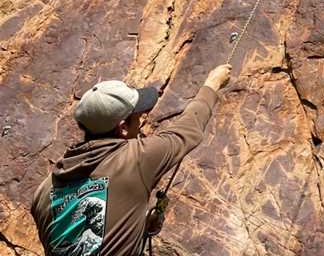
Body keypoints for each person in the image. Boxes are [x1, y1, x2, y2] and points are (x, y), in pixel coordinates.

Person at [31, 65, 232, 256]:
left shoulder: (43, 192)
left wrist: (140, 226)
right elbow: (187, 128)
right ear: (123, 127)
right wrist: (212, 84)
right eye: (138, 116)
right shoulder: (137, 159)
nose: (142, 120)